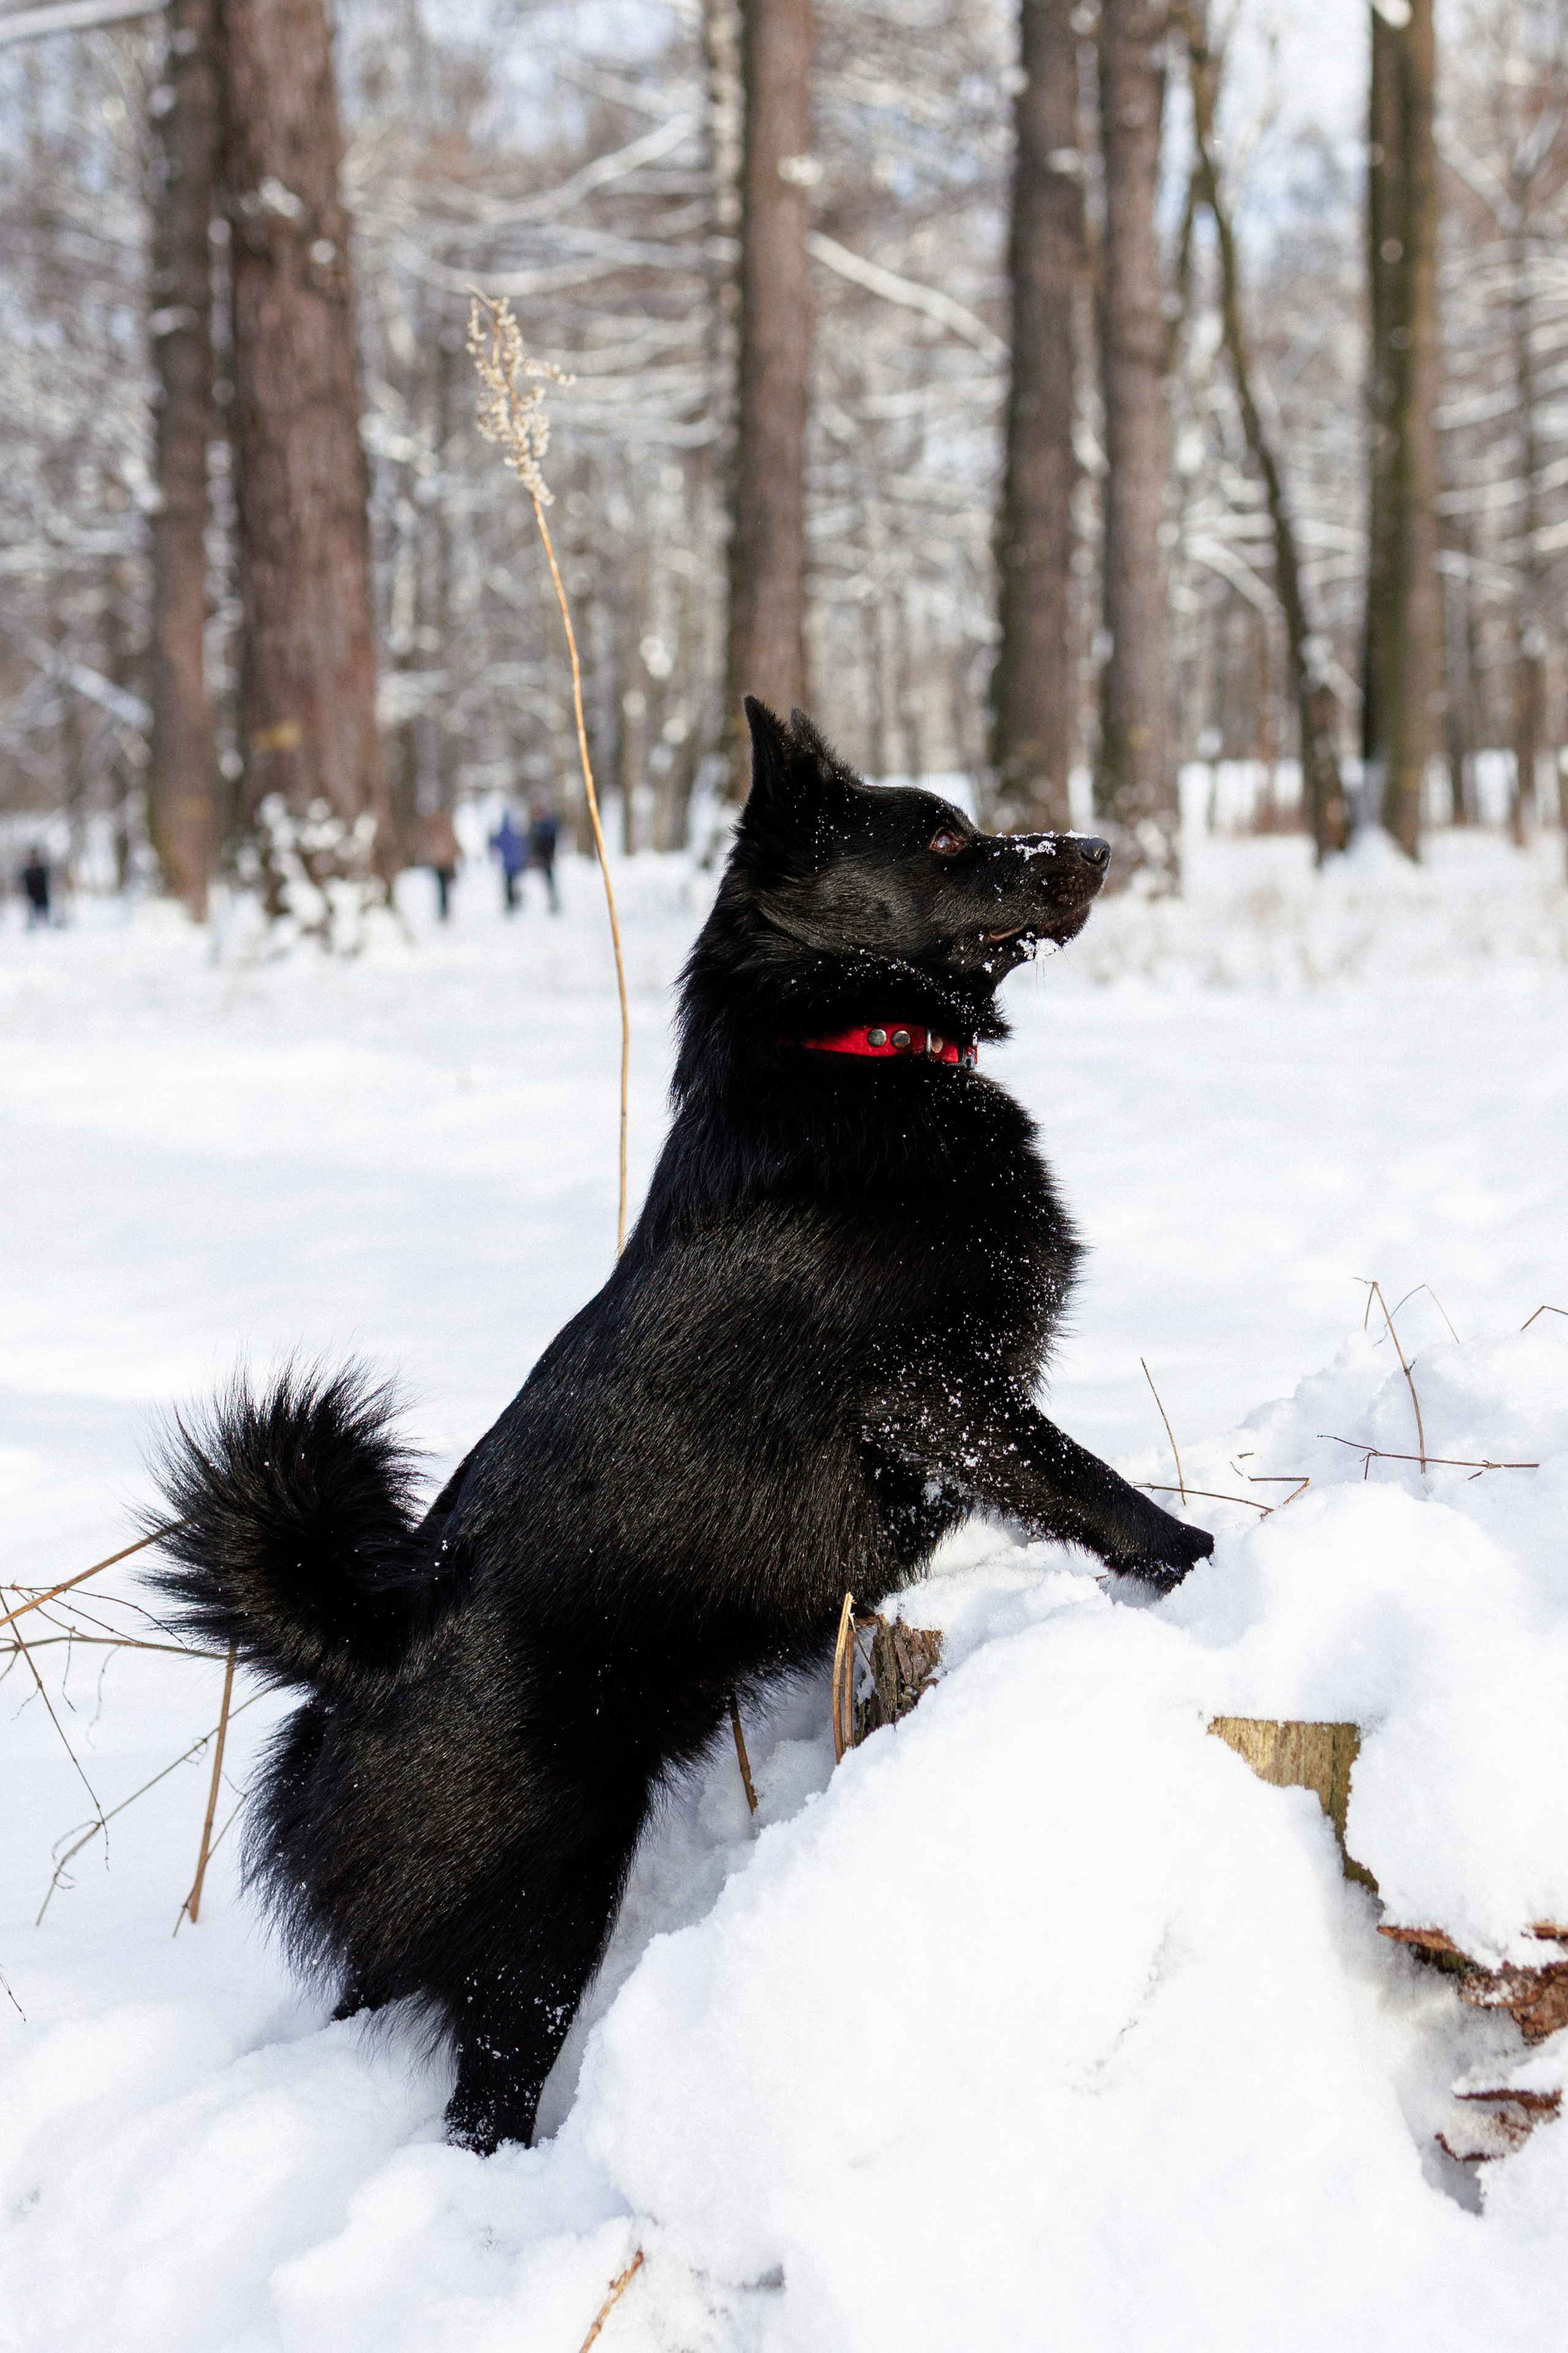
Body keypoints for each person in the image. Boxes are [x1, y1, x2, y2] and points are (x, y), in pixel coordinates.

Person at [418, 807, 461, 923]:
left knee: (442, 886)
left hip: (440, 861)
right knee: (444, 886)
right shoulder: (443, 826)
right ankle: (444, 910)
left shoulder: (433, 826)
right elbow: (453, 841)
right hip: (445, 862)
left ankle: (443, 910)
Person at [489, 807, 527, 913]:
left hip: (508, 864)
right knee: (515, 883)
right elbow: (523, 845)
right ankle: (516, 900)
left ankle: (511, 902)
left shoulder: (503, 833)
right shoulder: (515, 832)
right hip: (516, 862)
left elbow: (496, 844)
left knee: (509, 884)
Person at [527, 795, 560, 913]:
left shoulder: (546, 825)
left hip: (546, 857)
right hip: (540, 857)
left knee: (549, 880)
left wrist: (550, 854)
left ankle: (553, 903)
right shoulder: (536, 825)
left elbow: (550, 841)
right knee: (544, 881)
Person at [20, 848, 50, 929]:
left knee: (44, 920)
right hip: (32, 898)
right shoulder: (27, 872)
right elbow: (25, 886)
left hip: (42, 897)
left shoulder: (42, 870)